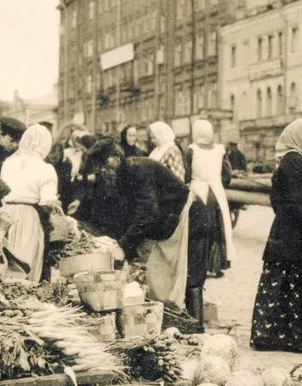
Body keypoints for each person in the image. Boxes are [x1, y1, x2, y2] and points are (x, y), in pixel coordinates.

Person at [83, 140, 209, 328]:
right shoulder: (122, 176)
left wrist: (124, 246)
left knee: (191, 276)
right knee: (164, 276)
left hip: (192, 217)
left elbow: (146, 211)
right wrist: (121, 243)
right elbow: (128, 214)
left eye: (103, 167)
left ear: (114, 159)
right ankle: (179, 323)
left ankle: (196, 328)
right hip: (172, 222)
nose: (102, 173)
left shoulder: (138, 170)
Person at [250, 118, 302, 352]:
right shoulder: (295, 161)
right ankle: (289, 338)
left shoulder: (299, 160)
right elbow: (296, 199)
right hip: (292, 234)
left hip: (289, 232)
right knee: (290, 285)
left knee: (289, 284)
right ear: (299, 138)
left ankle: (277, 336)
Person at [0, 124, 59, 283]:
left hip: (5, 215)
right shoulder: (45, 168)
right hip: (28, 217)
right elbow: (47, 200)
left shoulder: (8, 163)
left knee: (7, 260)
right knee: (26, 261)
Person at [185, 120, 235, 278]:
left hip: (198, 191)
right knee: (218, 228)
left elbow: (186, 173)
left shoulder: (191, 150)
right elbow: (227, 174)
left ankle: (199, 264)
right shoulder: (220, 150)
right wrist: (219, 182)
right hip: (216, 192)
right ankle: (216, 265)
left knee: (198, 229)